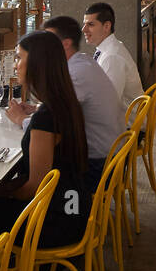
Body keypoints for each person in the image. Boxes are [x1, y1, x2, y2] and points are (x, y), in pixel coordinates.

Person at [0, 31, 91, 262]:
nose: (15, 66)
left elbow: (35, 187)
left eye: (18, 58)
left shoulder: (46, 118)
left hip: (55, 222)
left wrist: (1, 192)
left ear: (36, 64)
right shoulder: (64, 102)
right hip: (74, 207)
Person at [41, 14, 124, 190]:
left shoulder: (75, 73)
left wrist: (20, 120)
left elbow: (52, 122)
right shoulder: (83, 62)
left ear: (65, 44)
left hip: (99, 166)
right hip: (110, 156)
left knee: (39, 174)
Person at [82, 2, 144, 110]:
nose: (84, 29)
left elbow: (108, 103)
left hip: (125, 122)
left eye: (90, 24)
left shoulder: (112, 57)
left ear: (106, 26)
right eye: (84, 24)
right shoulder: (109, 47)